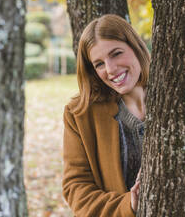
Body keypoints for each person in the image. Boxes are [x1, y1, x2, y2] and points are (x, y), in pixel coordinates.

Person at [62, 14, 151, 217]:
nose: (110, 69)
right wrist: (129, 204)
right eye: (99, 64)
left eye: (116, 53)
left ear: (136, 47)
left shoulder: (176, 98)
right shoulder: (80, 114)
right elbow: (77, 190)